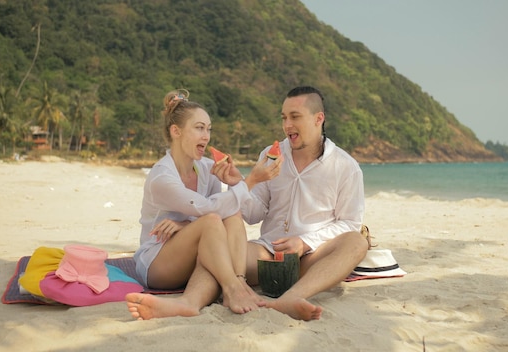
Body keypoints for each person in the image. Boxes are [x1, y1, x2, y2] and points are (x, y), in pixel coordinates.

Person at [125, 90, 281, 320]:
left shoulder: (207, 168)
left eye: (208, 129)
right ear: (176, 131)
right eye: (199, 128)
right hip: (157, 263)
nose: (206, 136)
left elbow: (220, 213)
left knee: (231, 214)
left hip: (194, 254)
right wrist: (251, 181)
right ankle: (233, 288)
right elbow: (207, 212)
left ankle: (194, 301)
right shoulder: (162, 177)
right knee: (212, 220)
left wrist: (234, 181)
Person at [239, 86, 369, 321]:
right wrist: (243, 184)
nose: (287, 125)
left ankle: (293, 296)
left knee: (356, 242)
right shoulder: (270, 155)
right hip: (267, 254)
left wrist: (304, 243)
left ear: (319, 119)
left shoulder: (345, 166)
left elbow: (350, 222)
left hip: (312, 258)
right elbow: (252, 214)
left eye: (295, 117)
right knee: (219, 250)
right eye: (284, 118)